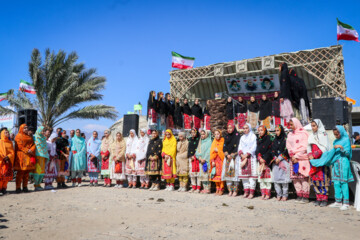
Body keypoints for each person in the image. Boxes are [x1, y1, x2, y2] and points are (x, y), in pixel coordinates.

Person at [311, 125, 354, 211]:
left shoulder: (346, 141)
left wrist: (341, 148)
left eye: (337, 134)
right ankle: (338, 201)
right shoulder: (335, 141)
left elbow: (348, 154)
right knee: (336, 183)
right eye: (335, 134)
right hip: (336, 164)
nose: (336, 136)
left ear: (341, 132)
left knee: (343, 183)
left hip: (343, 163)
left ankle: (346, 203)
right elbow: (333, 153)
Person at [307, 120, 331, 207]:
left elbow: (324, 147)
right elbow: (308, 146)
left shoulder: (323, 135)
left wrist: (315, 155)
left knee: (323, 180)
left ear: (318, 126)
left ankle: (324, 198)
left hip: (322, 161)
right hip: (313, 161)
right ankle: (318, 197)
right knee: (315, 179)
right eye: (312, 126)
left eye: (314, 126)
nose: (313, 128)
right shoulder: (311, 136)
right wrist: (310, 154)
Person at [286, 118, 310, 203]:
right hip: (293, 158)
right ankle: (299, 195)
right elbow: (288, 146)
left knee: (303, 178)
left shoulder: (303, 133)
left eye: (292, 125)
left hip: (302, 158)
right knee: (295, 179)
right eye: (290, 125)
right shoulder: (290, 134)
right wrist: (292, 155)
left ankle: (305, 197)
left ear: (296, 124)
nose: (291, 126)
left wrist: (296, 156)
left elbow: (305, 147)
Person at [238, 123, 257, 199]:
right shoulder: (242, 137)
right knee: (244, 176)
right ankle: (246, 191)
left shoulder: (253, 136)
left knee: (251, 176)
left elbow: (254, 146)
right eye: (244, 128)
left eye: (246, 128)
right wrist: (242, 154)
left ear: (249, 128)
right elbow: (240, 146)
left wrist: (247, 154)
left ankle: (252, 192)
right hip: (243, 158)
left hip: (250, 158)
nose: (245, 130)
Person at [271, 125, 290, 201]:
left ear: (281, 130)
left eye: (278, 130)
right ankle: (278, 194)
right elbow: (272, 150)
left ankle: (285, 195)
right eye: (275, 131)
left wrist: (280, 158)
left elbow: (286, 150)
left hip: (283, 161)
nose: (276, 132)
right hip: (276, 162)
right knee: (276, 180)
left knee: (284, 180)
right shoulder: (274, 140)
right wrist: (275, 158)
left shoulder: (285, 139)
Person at [14, 124, 36, 193]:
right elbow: (19, 146)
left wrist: (32, 150)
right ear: (21, 129)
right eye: (25, 128)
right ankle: (18, 188)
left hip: (28, 156)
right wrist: (27, 150)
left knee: (26, 173)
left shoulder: (29, 136)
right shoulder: (18, 136)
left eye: (27, 128)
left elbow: (33, 144)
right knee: (20, 172)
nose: (26, 129)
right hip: (21, 156)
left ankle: (25, 187)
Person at [221, 124, 241, 197]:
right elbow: (224, 146)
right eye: (228, 128)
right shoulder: (226, 136)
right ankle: (230, 190)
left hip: (235, 157)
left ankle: (235, 191)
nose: (229, 129)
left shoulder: (237, 135)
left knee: (235, 175)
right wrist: (227, 155)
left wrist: (232, 155)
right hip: (227, 158)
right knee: (228, 175)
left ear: (233, 128)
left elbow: (238, 146)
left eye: (230, 128)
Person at [256, 126, 273, 200]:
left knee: (267, 180)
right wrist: (259, 158)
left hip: (267, 162)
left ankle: (268, 194)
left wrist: (265, 159)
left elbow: (270, 150)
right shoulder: (258, 140)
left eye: (261, 130)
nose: (260, 132)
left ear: (265, 131)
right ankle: (263, 194)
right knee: (261, 179)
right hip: (260, 161)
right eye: (259, 130)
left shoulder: (269, 139)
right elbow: (257, 150)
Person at [32, 126, 50, 191]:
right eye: (42, 131)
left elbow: (45, 148)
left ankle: (39, 184)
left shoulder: (43, 138)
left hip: (43, 157)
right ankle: (36, 185)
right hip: (37, 156)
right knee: (37, 171)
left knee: (42, 171)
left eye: (43, 131)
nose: (43, 132)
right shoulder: (35, 137)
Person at [195, 130, 212, 194]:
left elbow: (209, 152)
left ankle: (208, 188)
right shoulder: (200, 142)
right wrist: (200, 158)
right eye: (201, 134)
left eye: (203, 134)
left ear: (207, 134)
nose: (202, 136)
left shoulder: (209, 142)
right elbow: (197, 151)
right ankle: (204, 188)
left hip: (207, 161)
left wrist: (205, 159)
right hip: (201, 161)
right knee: (202, 175)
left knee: (207, 175)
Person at [210, 129, 225, 195]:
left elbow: (224, 150)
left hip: (221, 160)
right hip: (215, 160)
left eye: (218, 134)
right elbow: (211, 152)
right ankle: (217, 188)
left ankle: (221, 189)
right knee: (215, 174)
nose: (217, 136)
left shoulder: (222, 140)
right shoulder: (214, 141)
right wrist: (212, 161)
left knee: (221, 175)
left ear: (220, 134)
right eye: (215, 134)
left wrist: (218, 150)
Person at [0, 129, 15, 195]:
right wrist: (3, 156)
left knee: (6, 176)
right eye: (6, 132)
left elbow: (12, 152)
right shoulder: (0, 142)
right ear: (2, 134)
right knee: (1, 175)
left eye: (8, 132)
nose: (7, 133)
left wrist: (8, 156)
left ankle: (4, 188)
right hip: (1, 161)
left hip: (8, 161)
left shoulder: (10, 142)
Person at [279, 62, 294, 127]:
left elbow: (284, 85)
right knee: (288, 109)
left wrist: (282, 96)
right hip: (287, 94)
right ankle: (289, 123)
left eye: (279, 67)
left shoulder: (284, 73)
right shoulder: (286, 73)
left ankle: (289, 124)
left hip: (285, 95)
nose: (278, 68)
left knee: (286, 110)